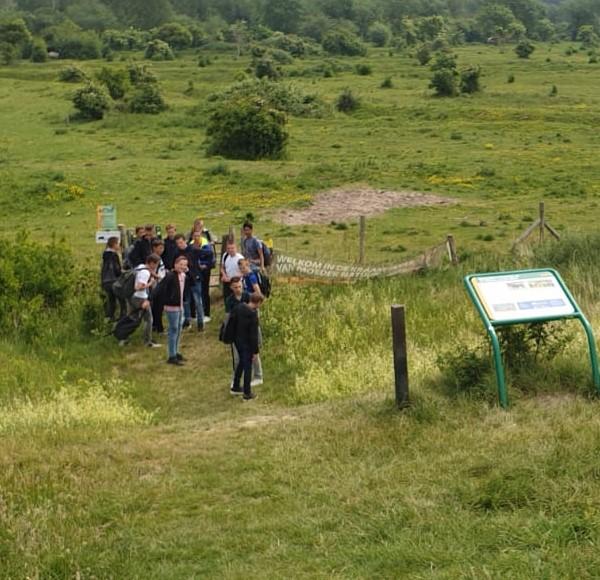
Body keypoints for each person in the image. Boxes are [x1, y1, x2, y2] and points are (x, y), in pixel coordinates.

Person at [230, 293, 264, 400]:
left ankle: (235, 386)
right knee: (248, 367)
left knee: (241, 362)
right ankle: (247, 393)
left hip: (237, 341)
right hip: (247, 344)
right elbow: (253, 336)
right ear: (258, 303)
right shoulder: (253, 314)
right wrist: (255, 351)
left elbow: (232, 323)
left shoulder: (239, 308)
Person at [160, 255, 190, 365]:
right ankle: (171, 356)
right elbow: (161, 288)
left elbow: (189, 284)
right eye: (180, 264)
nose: (182, 266)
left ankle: (176, 352)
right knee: (173, 330)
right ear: (175, 264)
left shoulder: (183, 276)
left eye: (184, 265)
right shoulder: (170, 276)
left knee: (179, 330)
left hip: (180, 306)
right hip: (171, 307)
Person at [129, 253, 161, 348]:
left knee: (133, 319)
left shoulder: (141, 267)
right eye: (156, 264)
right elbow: (138, 287)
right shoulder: (145, 273)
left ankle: (124, 337)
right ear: (151, 263)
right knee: (149, 320)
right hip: (141, 298)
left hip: (134, 297)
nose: (156, 267)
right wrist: (150, 283)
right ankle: (147, 341)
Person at [101, 236, 125, 321]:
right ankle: (122, 318)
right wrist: (122, 272)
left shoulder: (105, 254)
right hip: (113, 280)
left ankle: (109, 318)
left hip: (105, 280)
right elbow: (117, 269)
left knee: (111, 301)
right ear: (114, 244)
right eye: (118, 244)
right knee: (122, 300)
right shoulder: (114, 255)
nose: (119, 246)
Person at [151, 239, 167, 334]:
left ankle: (155, 325)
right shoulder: (153, 258)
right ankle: (159, 328)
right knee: (158, 307)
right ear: (154, 248)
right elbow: (150, 270)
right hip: (157, 285)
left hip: (161, 284)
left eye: (163, 248)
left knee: (158, 307)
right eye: (160, 248)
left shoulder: (159, 257)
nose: (162, 250)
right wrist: (158, 277)